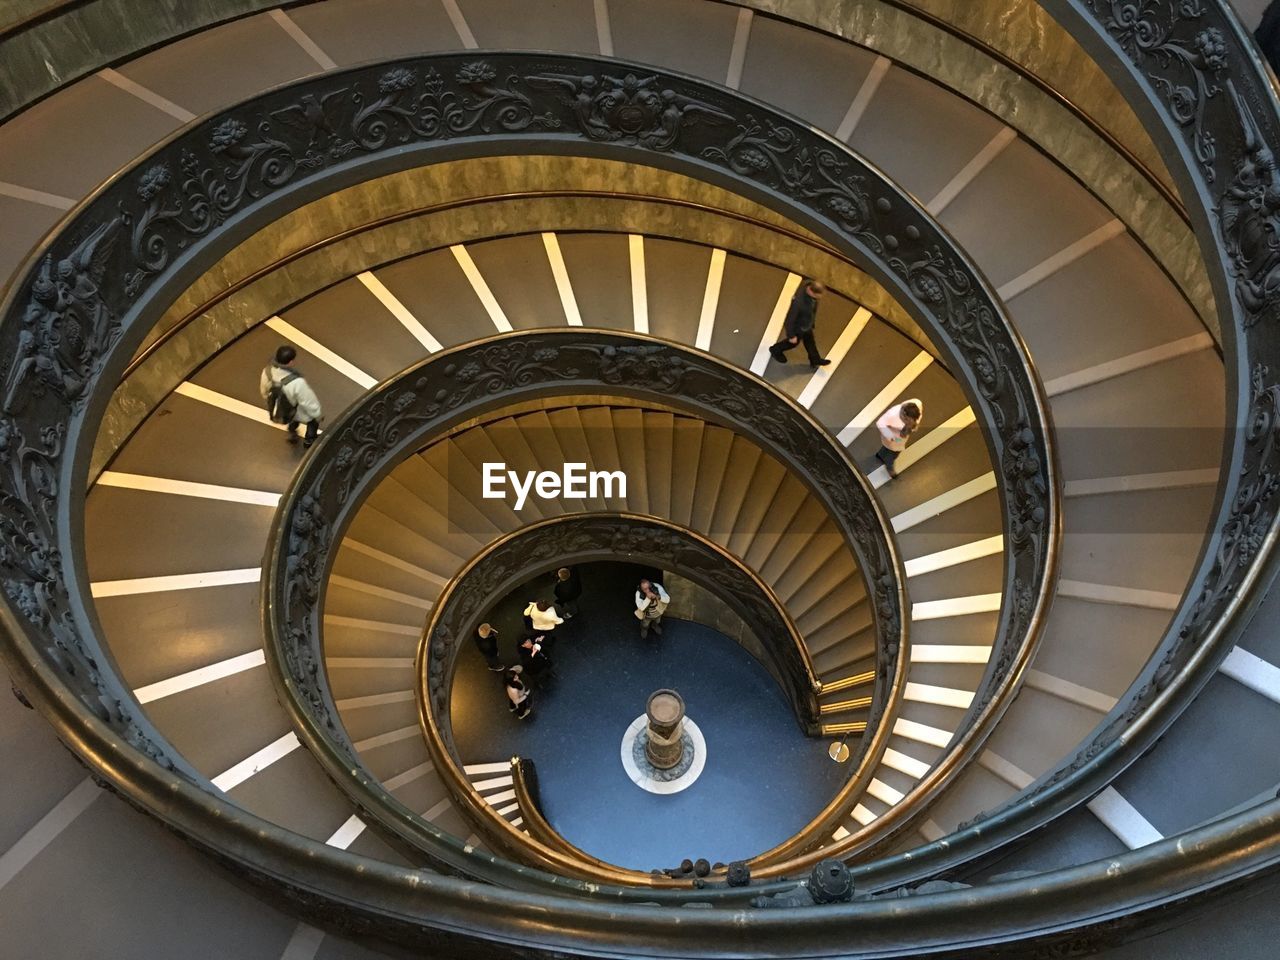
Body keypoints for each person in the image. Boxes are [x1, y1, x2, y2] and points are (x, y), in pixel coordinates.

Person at [260, 345, 322, 447]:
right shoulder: (297, 382)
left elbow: (264, 391)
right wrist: (316, 413)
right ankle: (309, 440)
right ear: (290, 362)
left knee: (292, 419)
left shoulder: (267, 372)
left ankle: (292, 433)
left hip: (283, 409)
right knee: (312, 422)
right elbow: (308, 402)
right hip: (296, 409)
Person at [768, 280, 832, 370]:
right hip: (799, 328)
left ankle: (815, 359)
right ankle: (775, 350)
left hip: (806, 325)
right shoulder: (799, 302)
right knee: (792, 343)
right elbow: (789, 320)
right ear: (811, 291)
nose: (820, 297)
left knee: (810, 342)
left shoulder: (812, 297)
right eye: (818, 295)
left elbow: (812, 310)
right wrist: (791, 335)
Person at [875, 399, 923, 479]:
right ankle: (889, 467)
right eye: (906, 420)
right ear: (903, 413)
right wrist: (892, 437)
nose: (907, 422)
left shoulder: (917, 405)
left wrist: (912, 426)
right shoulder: (892, 414)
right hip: (894, 438)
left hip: (899, 438)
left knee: (887, 448)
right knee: (893, 454)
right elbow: (880, 423)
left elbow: (918, 416)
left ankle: (880, 455)